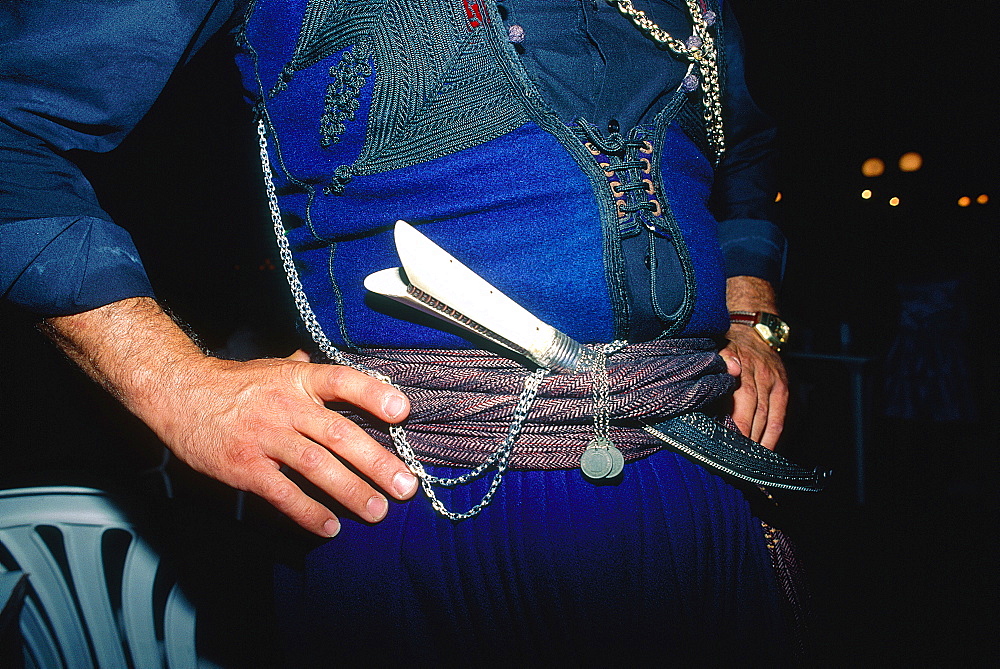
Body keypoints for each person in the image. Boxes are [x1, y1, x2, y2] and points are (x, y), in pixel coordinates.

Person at [1, 0, 805, 663]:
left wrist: (749, 307)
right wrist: (176, 385)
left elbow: (749, 155)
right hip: (424, 503)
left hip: (703, 485)